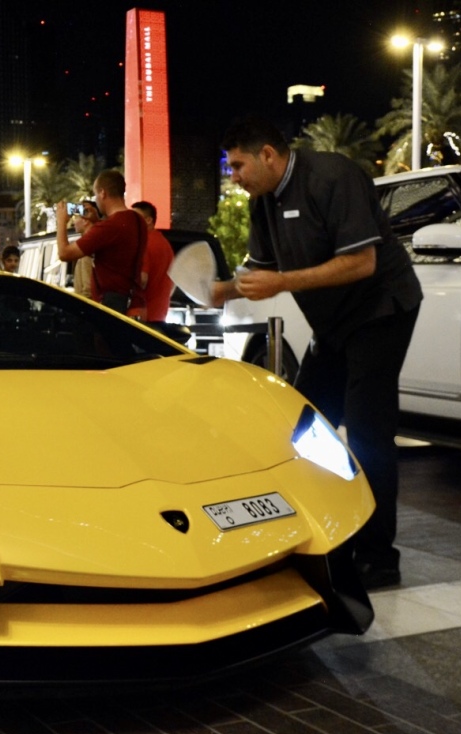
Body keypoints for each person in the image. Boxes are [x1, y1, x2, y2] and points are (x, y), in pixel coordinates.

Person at [211, 116, 421, 591]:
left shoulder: (333, 176)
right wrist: (216, 291)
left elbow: (362, 262)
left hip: (381, 311)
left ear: (268, 154)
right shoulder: (262, 204)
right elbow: (258, 274)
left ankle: (379, 558)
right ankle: (321, 535)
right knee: (301, 428)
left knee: (368, 432)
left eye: (239, 165)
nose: (234, 177)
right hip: (334, 325)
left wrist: (283, 282)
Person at [55, 170, 146, 314]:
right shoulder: (137, 220)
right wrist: (96, 221)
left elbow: (64, 254)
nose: (96, 199)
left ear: (103, 193)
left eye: (96, 194)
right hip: (136, 303)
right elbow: (115, 247)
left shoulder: (109, 227)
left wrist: (61, 221)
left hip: (114, 307)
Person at [130, 201, 176, 322]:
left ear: (148, 220)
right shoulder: (165, 245)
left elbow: (142, 280)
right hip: (160, 315)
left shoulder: (144, 244)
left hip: (142, 317)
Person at [69, 200, 100, 300]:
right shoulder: (93, 244)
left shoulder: (88, 248)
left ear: (85, 220)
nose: (73, 222)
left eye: (76, 217)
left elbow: (88, 289)